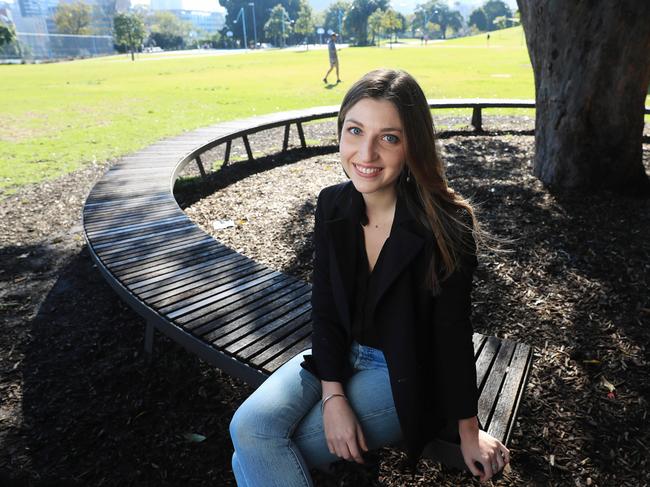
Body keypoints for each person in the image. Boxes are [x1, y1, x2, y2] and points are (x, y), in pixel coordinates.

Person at [229, 68, 510, 486]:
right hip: (339, 353)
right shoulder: (332, 206)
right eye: (355, 131)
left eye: (389, 138)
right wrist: (334, 395)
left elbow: (452, 333)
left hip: (404, 371)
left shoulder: (446, 225)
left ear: (412, 144)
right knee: (246, 429)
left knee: (258, 449)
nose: (366, 153)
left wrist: (469, 431)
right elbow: (325, 307)